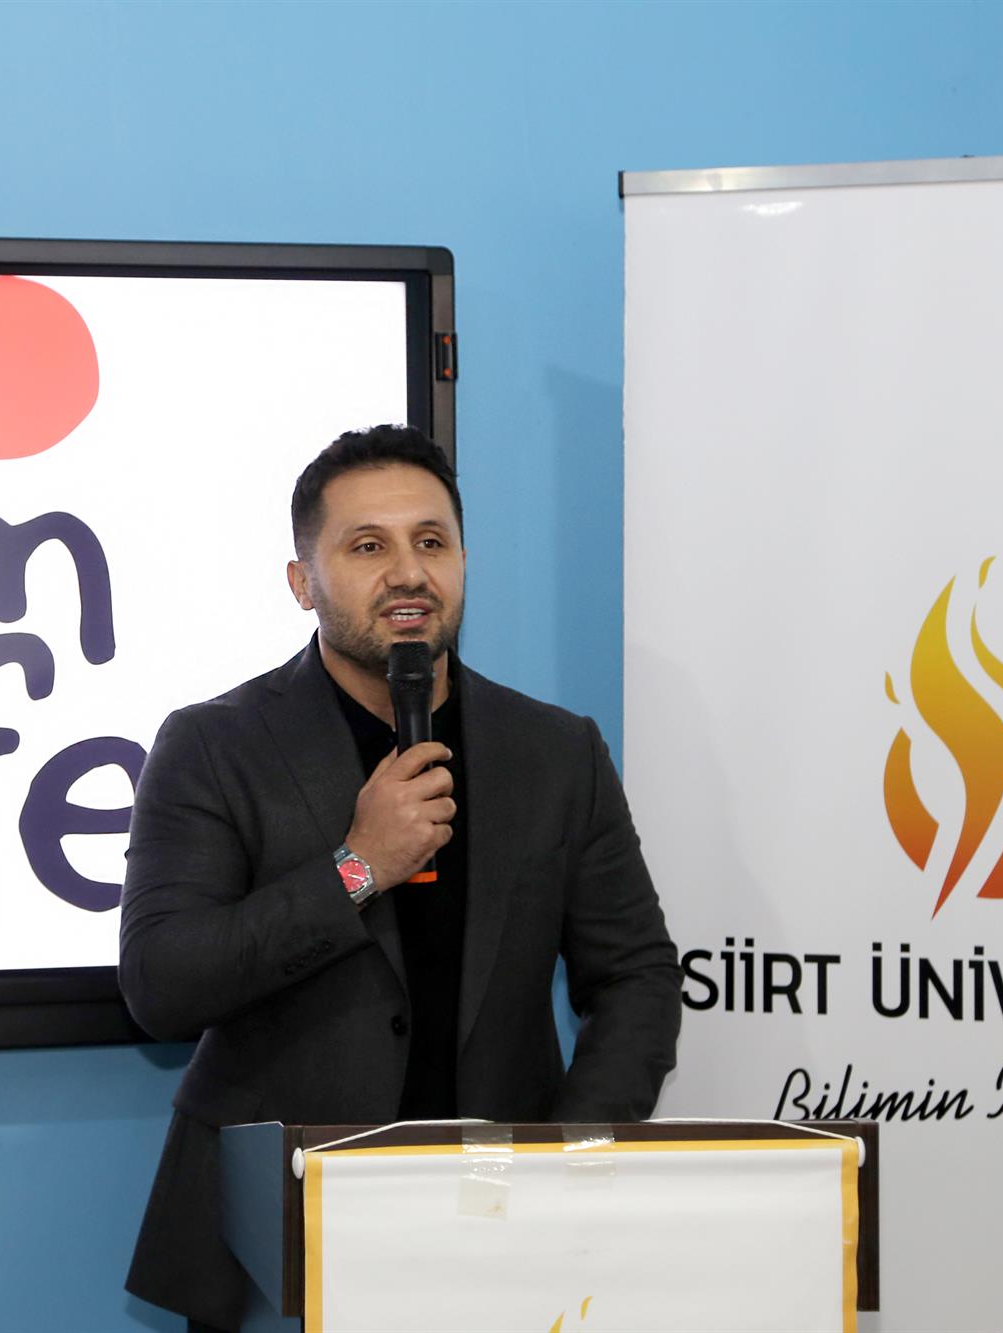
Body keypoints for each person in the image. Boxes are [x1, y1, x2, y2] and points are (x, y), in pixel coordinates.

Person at [118, 424, 681, 1332]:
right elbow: (163, 983)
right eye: (368, 547)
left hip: (501, 1223)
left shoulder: (555, 751)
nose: (408, 573)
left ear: (463, 562)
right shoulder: (214, 744)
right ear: (302, 581)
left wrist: (564, 1157)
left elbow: (637, 976)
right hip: (280, 1236)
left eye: (431, 541)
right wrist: (358, 867)